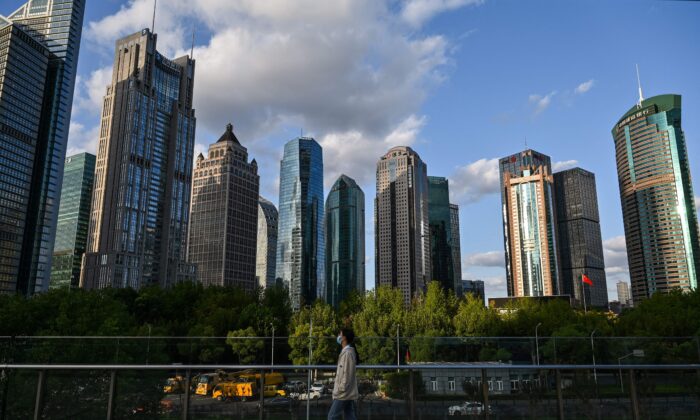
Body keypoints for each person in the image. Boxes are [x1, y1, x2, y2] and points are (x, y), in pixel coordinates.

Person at [328, 328, 359, 420]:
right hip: (346, 392)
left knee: (332, 417)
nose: (338, 336)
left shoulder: (348, 353)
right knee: (349, 416)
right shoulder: (346, 352)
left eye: (339, 334)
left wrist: (340, 389)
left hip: (343, 393)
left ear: (344, 337)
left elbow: (347, 374)